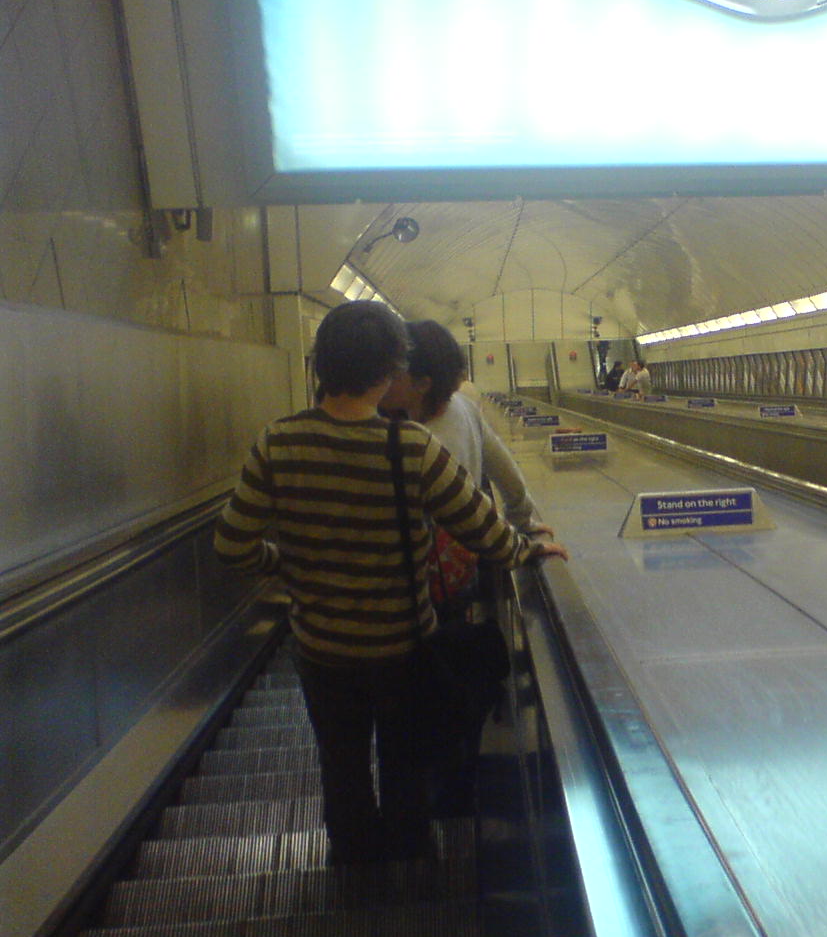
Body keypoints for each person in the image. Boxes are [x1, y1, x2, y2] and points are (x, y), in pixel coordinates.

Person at [214, 302, 568, 864]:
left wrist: (291, 564)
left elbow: (231, 545)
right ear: (387, 373)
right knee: (405, 762)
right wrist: (528, 548)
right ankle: (413, 865)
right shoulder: (410, 447)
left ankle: (358, 874)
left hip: (321, 648)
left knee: (342, 764)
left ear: (319, 366)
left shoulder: (276, 443)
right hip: (401, 645)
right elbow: (481, 529)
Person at [383, 320, 552, 611]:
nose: (383, 380)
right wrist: (523, 521)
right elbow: (507, 472)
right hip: (460, 574)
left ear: (422, 384)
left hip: (422, 589)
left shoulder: (422, 442)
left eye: (394, 372)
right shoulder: (464, 406)